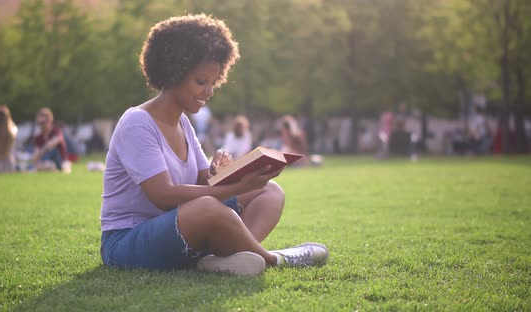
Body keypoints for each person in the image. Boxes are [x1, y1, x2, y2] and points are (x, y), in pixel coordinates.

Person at [100, 14, 328, 276]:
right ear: (173, 72)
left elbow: (202, 182)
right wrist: (236, 187)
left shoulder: (183, 123)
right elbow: (163, 196)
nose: (209, 91)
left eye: (213, 81)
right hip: (126, 242)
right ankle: (274, 259)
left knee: (270, 191)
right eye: (201, 81)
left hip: (182, 228)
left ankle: (229, 258)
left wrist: (222, 174)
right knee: (207, 207)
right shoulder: (137, 122)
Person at [33, 108, 71, 173]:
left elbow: (52, 143)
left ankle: (51, 167)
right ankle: (48, 167)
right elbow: (35, 156)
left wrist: (41, 152)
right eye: (39, 123)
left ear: (50, 120)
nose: (41, 126)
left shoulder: (56, 131)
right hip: (46, 162)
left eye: (43, 123)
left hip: (61, 161)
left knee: (53, 150)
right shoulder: (38, 138)